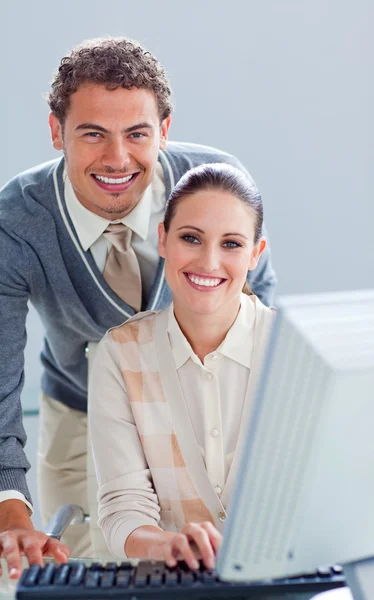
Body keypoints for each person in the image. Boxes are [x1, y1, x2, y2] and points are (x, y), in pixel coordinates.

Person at [0, 36, 276, 576]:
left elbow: (262, 327)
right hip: (78, 407)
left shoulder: (217, 192)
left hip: (204, 400)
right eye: (93, 134)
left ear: (165, 132)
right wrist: (11, 511)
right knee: (72, 565)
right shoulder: (16, 225)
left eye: (137, 134)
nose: (118, 158)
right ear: (56, 132)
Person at [89, 163, 275, 569]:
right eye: (191, 238)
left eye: (231, 244)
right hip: (172, 586)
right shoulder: (121, 354)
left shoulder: (293, 350)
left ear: (255, 255)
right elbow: (124, 509)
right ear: (163, 239)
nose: (209, 262)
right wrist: (166, 545)